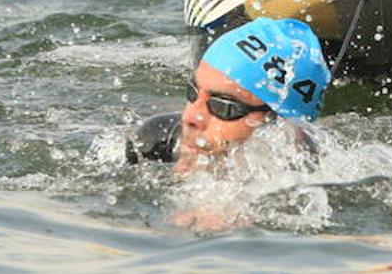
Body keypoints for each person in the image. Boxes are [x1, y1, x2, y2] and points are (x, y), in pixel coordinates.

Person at [126, 16, 331, 175]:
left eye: (224, 107)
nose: (189, 117)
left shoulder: (317, 190)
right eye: (193, 92)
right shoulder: (152, 144)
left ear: (282, 130)